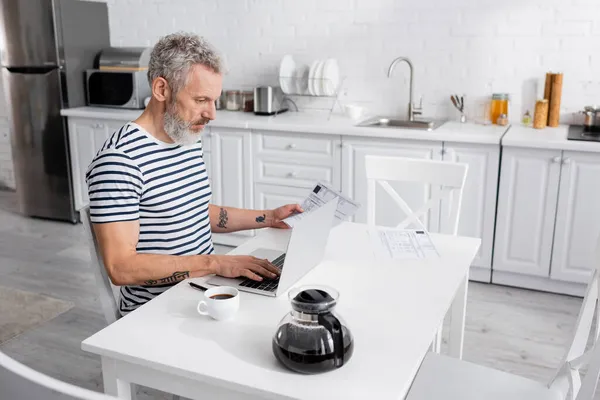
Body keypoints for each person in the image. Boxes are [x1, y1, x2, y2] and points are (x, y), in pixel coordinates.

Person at [85, 32, 302, 315]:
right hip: (156, 311)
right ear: (161, 89)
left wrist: (268, 217)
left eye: (214, 100)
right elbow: (121, 268)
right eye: (201, 100)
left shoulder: (185, 137)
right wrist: (214, 263)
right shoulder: (120, 161)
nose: (212, 114)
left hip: (202, 291)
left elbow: (194, 212)